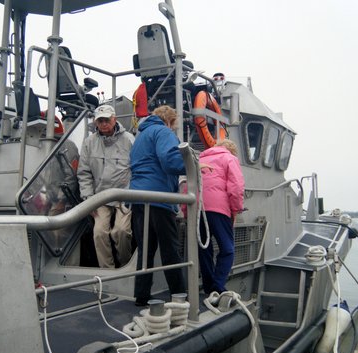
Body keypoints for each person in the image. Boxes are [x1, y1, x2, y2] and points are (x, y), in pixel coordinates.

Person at [130, 105, 187, 306]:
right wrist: (193, 166)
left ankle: (141, 295)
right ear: (170, 121)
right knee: (170, 249)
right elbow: (171, 161)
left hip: (138, 198)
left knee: (145, 250)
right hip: (159, 199)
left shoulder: (141, 136)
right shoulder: (163, 131)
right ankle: (179, 296)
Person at [77, 104, 135, 268]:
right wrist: (88, 199)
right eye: (100, 120)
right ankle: (107, 271)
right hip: (100, 196)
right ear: (95, 123)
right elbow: (84, 172)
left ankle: (125, 266)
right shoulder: (89, 142)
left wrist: (134, 193)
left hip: (124, 195)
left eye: (106, 120)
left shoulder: (129, 139)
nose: (103, 124)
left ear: (114, 119)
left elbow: (137, 167)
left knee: (121, 231)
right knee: (99, 233)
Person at [198, 139, 245, 295]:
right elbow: (236, 186)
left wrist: (186, 210)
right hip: (219, 208)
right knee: (227, 249)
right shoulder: (229, 158)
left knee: (204, 249)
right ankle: (217, 286)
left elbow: (187, 184)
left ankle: (207, 285)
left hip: (198, 208)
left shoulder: (200, 159)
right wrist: (236, 209)